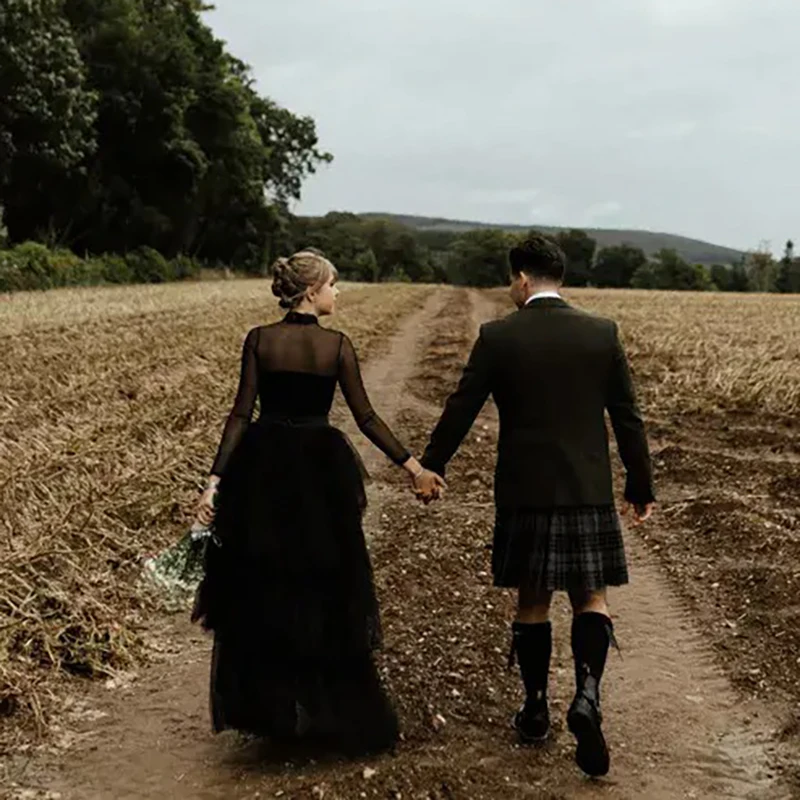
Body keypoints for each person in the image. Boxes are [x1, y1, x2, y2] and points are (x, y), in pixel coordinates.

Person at [417, 234, 655, 777]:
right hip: (587, 489)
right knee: (590, 597)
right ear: (559, 278)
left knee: (532, 601)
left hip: (526, 490)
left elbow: (462, 406)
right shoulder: (601, 333)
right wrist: (640, 487)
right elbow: (628, 417)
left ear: (522, 279)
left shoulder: (499, 336)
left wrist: (433, 465)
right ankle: (588, 696)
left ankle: (535, 709)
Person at [192, 249, 444, 756]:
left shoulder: (260, 341)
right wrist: (414, 468)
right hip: (320, 470)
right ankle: (327, 713)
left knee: (268, 586)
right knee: (325, 586)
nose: (338, 292)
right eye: (333, 284)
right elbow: (367, 418)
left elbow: (240, 415)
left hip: (262, 468)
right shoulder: (336, 348)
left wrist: (215, 481)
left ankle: (276, 713)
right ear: (311, 292)